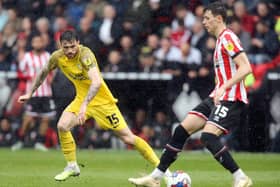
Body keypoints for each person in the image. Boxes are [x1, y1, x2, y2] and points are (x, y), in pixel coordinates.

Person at [17, 30, 170, 181]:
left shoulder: (85, 55)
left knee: (128, 139)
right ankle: (72, 166)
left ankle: (164, 171)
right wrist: (30, 92)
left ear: (78, 43)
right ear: (60, 46)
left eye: (72, 46)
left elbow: (96, 82)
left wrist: (84, 106)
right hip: (81, 100)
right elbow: (43, 71)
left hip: (102, 102)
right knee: (62, 126)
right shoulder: (57, 57)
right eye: (66, 47)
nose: (69, 51)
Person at [128, 2, 253, 187]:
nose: (204, 22)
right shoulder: (220, 39)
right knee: (181, 130)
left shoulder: (228, 37)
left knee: (208, 137)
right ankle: (155, 178)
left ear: (219, 19)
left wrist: (223, 87)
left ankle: (240, 177)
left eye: (207, 18)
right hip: (217, 97)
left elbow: (246, 67)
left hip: (231, 97)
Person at [11, 33, 55, 152]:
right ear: (32, 44)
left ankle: (39, 142)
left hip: (46, 92)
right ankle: (20, 140)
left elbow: (52, 69)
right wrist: (30, 77)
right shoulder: (27, 57)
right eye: (35, 42)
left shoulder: (47, 56)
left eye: (40, 41)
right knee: (28, 118)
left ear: (43, 43)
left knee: (46, 118)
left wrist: (51, 77)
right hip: (32, 93)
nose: (38, 44)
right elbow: (20, 72)